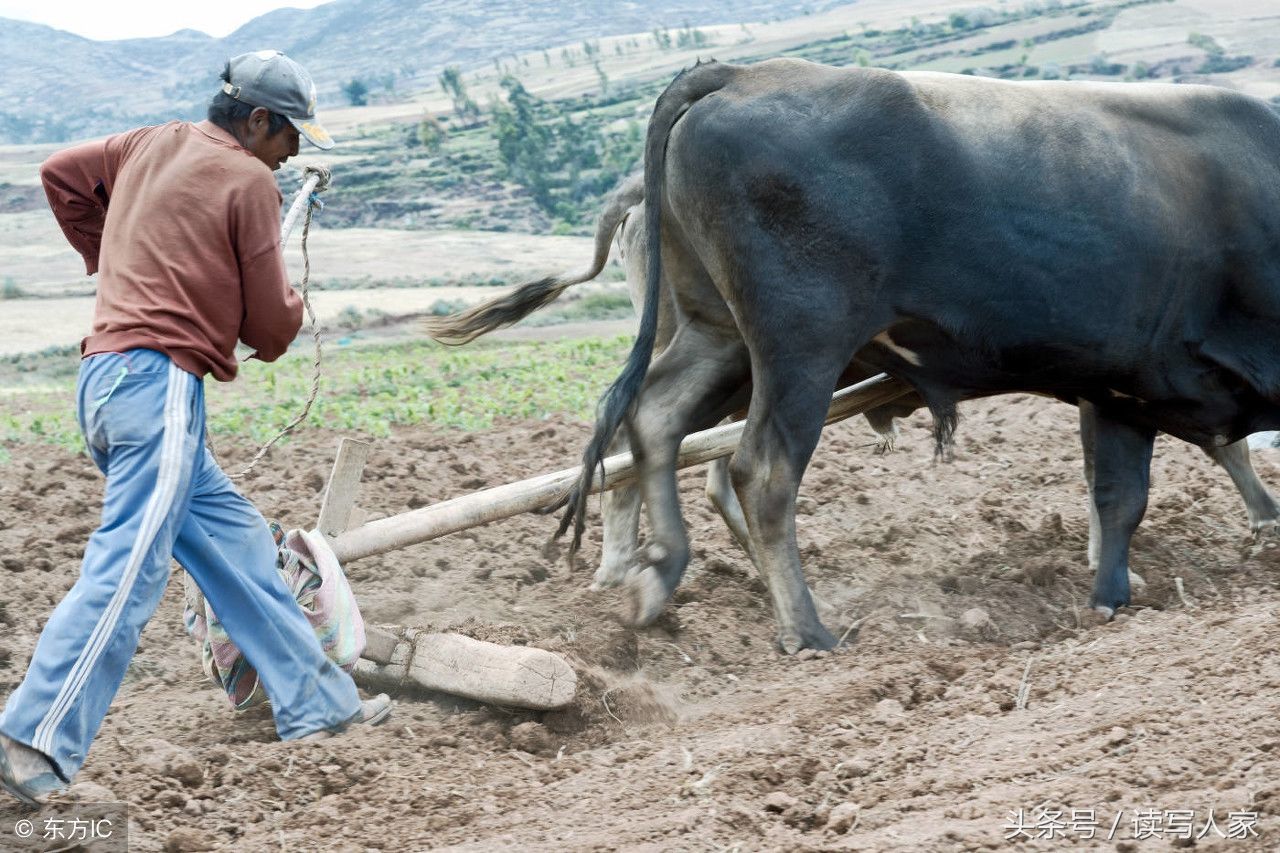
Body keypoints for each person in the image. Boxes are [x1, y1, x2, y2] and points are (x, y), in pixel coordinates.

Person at [0, 50, 390, 807]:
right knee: (129, 570)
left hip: (107, 384)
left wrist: (122, 254)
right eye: (291, 135)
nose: (296, 151)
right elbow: (271, 328)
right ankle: (30, 736)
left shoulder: (147, 143)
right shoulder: (248, 179)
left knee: (236, 545)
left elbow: (59, 173)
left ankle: (320, 705)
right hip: (158, 386)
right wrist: (289, 306)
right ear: (256, 121)